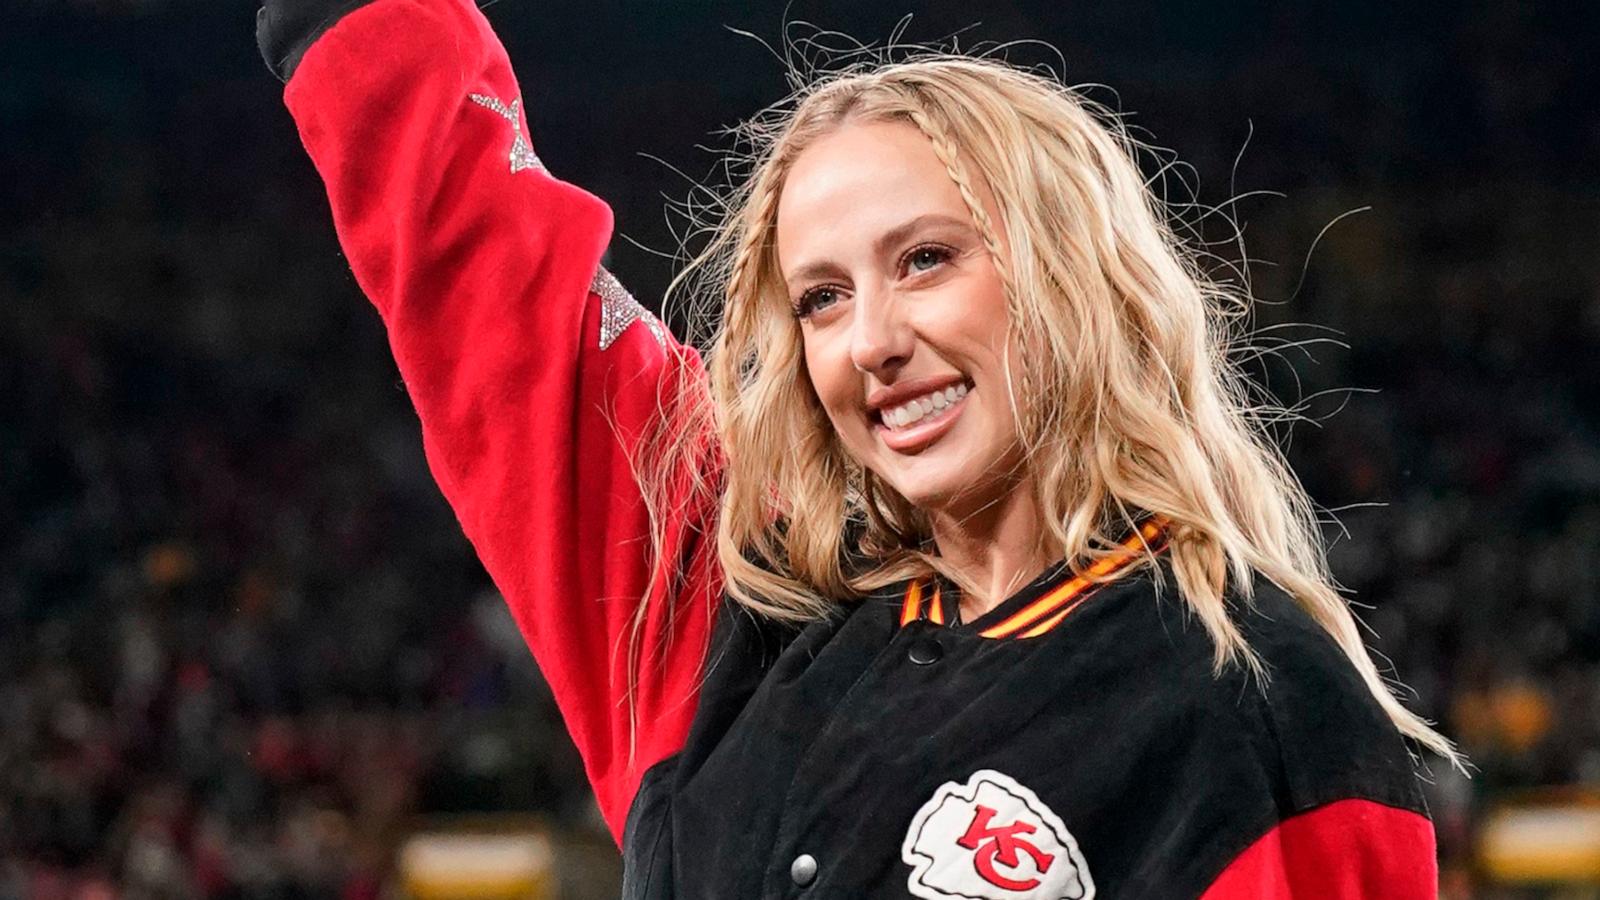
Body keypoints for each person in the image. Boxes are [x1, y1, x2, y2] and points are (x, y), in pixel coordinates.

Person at [255, 0, 1458, 895]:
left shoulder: (1257, 701)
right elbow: (488, 282)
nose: (872, 340)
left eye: (926, 258)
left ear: (1069, 278)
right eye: (821, 298)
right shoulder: (732, 620)